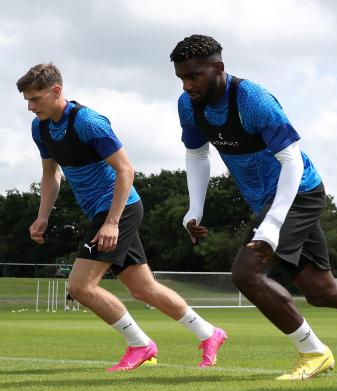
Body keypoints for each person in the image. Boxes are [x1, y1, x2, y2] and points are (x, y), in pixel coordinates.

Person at [169, 34, 337, 381]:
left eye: (194, 76)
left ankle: (314, 352)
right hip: (266, 201)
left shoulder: (253, 99)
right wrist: (195, 208)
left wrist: (273, 224)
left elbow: (291, 161)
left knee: (246, 273)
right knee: (323, 291)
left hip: (300, 192)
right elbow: (197, 153)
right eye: (182, 78)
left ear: (218, 68)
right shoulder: (189, 105)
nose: (187, 85)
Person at [17, 63, 227, 371]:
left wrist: (112, 222)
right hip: (103, 212)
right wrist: (43, 216)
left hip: (119, 208)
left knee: (80, 286)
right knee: (143, 288)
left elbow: (126, 169)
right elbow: (51, 174)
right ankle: (209, 333)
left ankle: (140, 345)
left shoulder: (89, 122)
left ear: (56, 91)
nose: (30, 106)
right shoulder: (41, 127)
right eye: (27, 100)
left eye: (35, 98)